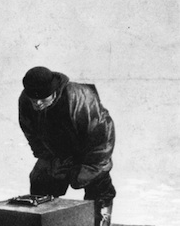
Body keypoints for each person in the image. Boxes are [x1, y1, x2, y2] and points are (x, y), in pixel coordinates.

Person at [18, 66, 116, 226]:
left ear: (54, 91)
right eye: (34, 99)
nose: (37, 103)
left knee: (100, 187)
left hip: (90, 151)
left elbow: (102, 136)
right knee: (39, 180)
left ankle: (101, 222)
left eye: (43, 98)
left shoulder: (79, 98)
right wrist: (49, 160)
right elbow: (32, 135)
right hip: (58, 152)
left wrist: (88, 168)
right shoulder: (26, 101)